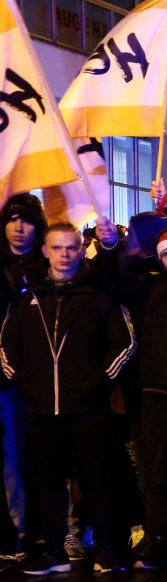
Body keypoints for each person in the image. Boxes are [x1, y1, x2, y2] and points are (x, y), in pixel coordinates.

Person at [0, 222, 136, 575]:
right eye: (57, 248)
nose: (64, 255)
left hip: (89, 408)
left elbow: (125, 343)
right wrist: (27, 383)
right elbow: (6, 345)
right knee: (48, 484)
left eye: (71, 248)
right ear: (45, 251)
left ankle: (107, 549)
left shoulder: (99, 295)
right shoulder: (27, 297)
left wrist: (99, 383)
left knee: (98, 480)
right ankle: (54, 551)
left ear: (80, 250)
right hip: (41, 409)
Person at [97, 216, 167, 570]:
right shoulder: (150, 288)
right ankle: (161, 539)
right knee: (160, 472)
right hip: (159, 394)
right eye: (166, 253)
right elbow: (112, 280)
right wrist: (109, 246)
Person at [0, 192, 46, 561]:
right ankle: (16, 532)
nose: (18, 227)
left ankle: (39, 532)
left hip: (42, 380)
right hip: (4, 379)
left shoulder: (48, 269)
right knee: (10, 458)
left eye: (26, 220)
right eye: (12, 220)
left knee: (36, 458)